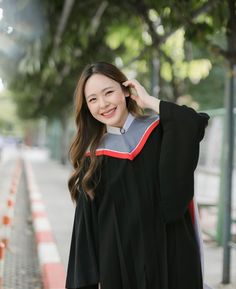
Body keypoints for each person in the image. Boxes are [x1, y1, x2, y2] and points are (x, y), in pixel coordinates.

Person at [66, 61, 210, 289]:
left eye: (109, 92)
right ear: (86, 107)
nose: (103, 104)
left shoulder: (160, 132)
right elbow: (86, 237)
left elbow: (192, 122)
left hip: (172, 264)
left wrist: (149, 101)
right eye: (92, 99)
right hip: (121, 274)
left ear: (126, 90)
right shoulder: (93, 159)